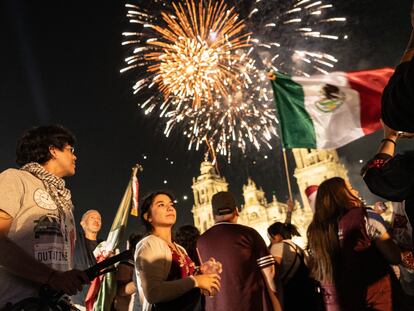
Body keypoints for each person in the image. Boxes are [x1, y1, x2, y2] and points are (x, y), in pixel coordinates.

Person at [0, 125, 89, 309]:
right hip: (17, 303)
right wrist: (51, 277)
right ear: (53, 150)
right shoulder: (16, 179)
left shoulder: (64, 201)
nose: (75, 156)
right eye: (70, 150)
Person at [307, 177, 402, 311]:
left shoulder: (315, 232)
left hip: (344, 301)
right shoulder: (366, 216)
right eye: (351, 188)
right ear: (341, 194)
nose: (356, 191)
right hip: (379, 298)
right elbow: (394, 256)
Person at [135, 190, 221, 311]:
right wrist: (196, 280)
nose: (169, 208)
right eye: (161, 205)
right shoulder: (149, 244)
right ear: (148, 216)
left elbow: (183, 282)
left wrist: (200, 272)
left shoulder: (179, 248)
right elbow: (153, 293)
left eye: (171, 205)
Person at [197, 191, 282, 311]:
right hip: (250, 305)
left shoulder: (201, 241)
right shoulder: (249, 234)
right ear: (236, 211)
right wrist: (275, 302)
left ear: (213, 214)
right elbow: (269, 272)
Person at [72, 209, 103, 309]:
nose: (96, 220)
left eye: (99, 219)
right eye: (92, 217)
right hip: (77, 302)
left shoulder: (104, 246)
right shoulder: (74, 241)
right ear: (83, 223)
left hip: (98, 303)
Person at [115, 233, 143, 311]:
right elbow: (121, 290)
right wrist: (140, 282)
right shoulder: (125, 264)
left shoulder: (139, 265)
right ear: (134, 250)